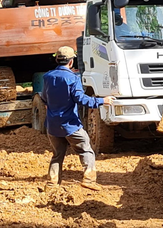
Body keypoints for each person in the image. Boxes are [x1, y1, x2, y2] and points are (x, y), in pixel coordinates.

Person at [40, 46, 114, 191]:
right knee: (86, 150)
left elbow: (43, 98)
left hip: (52, 126)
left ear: (57, 59)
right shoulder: (73, 78)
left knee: (57, 155)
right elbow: (81, 99)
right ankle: (89, 180)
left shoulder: (47, 77)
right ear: (71, 62)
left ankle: (51, 184)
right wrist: (102, 101)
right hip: (70, 125)